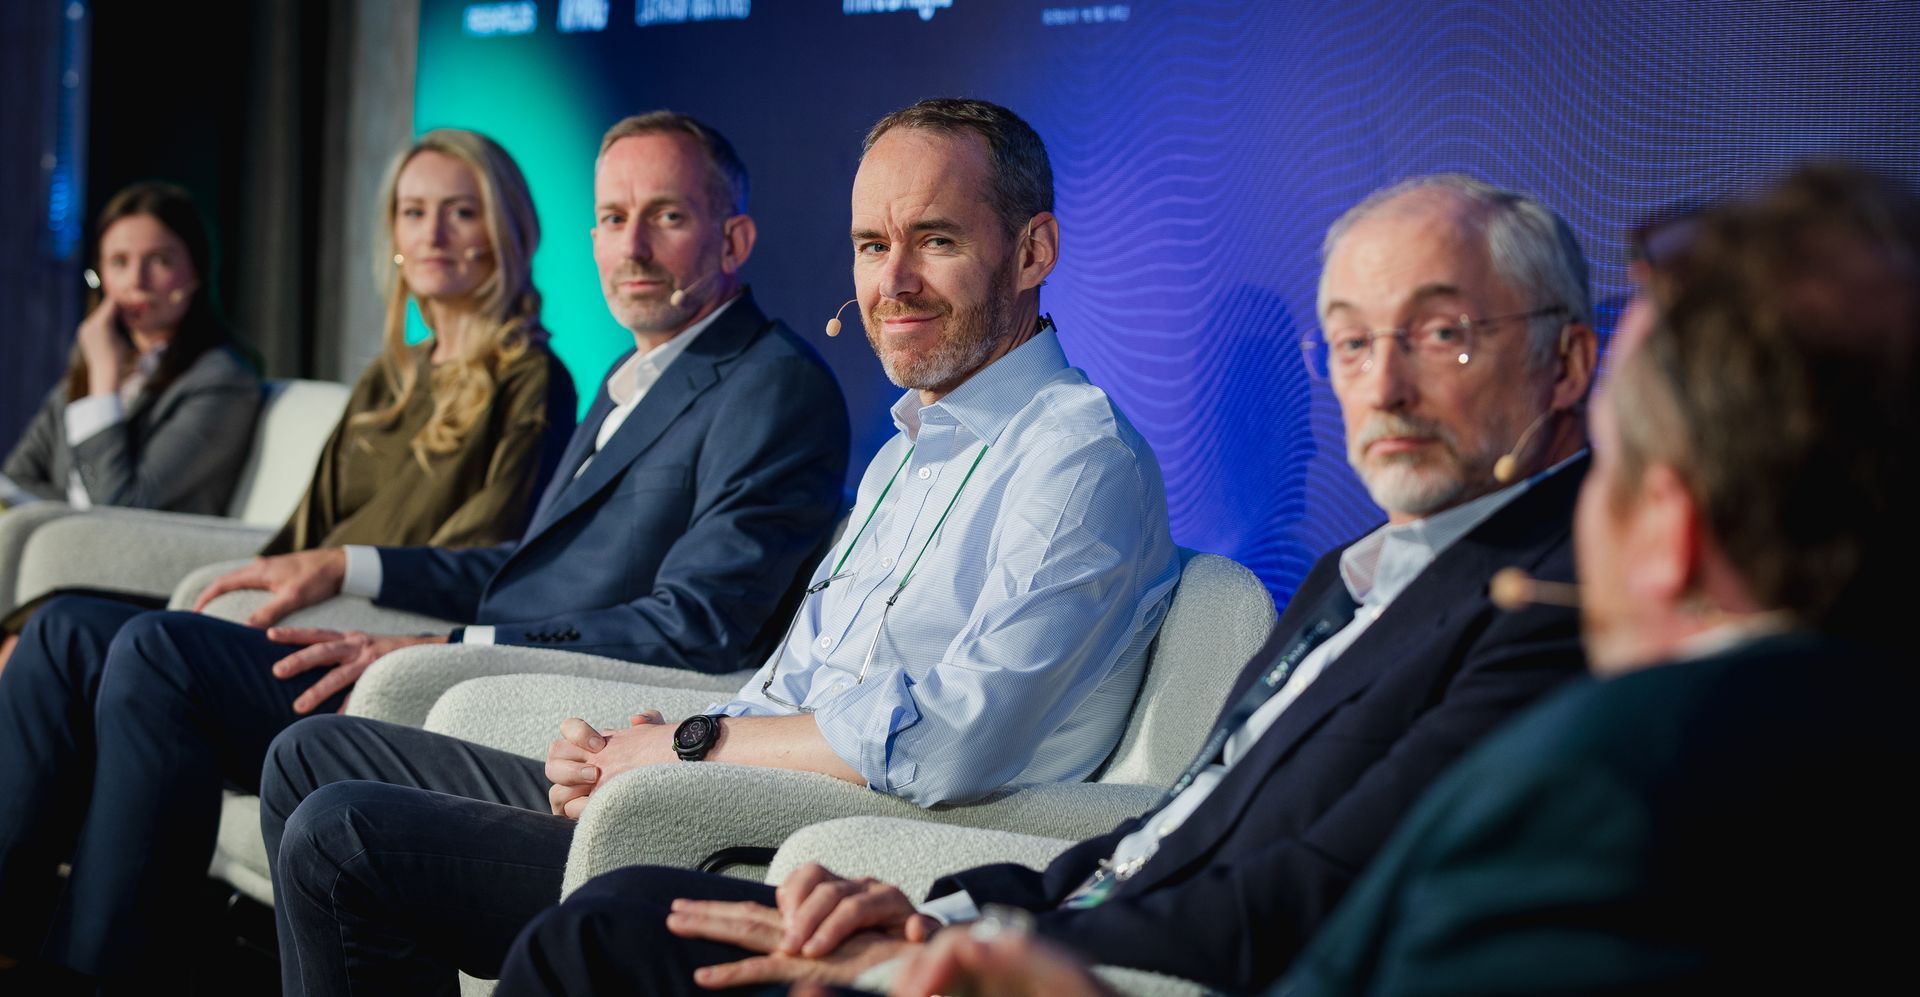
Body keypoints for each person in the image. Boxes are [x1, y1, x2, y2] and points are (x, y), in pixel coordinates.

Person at [486, 171, 1604, 997]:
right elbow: (1174, 828)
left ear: (1566, 364)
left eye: (1442, 335)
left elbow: (1320, 891)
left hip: (1097, 976)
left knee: (604, 929)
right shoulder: (1354, 574)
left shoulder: (1560, 601)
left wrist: (979, 947)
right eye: (1352, 344)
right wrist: (943, 907)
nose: (1385, 384)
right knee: (611, 921)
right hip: (1037, 928)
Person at [260, 96, 1180, 995]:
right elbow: (792, 681)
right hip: (728, 799)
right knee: (315, 757)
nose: (892, 281)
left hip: (822, 858)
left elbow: (946, 741)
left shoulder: (1077, 456)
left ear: (1033, 252)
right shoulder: (910, 446)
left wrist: (693, 746)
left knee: (344, 837)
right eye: (871, 246)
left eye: (935, 240)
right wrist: (641, 743)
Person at [0, 110, 848, 990]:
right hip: (470, 657)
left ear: (733, 238)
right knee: (110, 640)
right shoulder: (634, 374)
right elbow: (523, 565)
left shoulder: (771, 385)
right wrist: (350, 563)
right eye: (612, 217)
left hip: (544, 695)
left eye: (666, 216)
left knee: (161, 654)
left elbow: (697, 625)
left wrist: (440, 644)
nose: (631, 245)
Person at [1277, 162, 1920, 995]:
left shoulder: (1603, 790)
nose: (1386, 387)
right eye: (1351, 343)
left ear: (1669, 525)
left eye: (1607, 459)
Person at [257, 128, 576, 556]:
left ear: (507, 230)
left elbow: (488, 548)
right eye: (413, 212)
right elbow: (304, 532)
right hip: (311, 589)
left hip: (388, 598)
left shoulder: (533, 381)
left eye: (461, 213)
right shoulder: (388, 376)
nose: (432, 235)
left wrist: (340, 571)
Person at [0, 182, 261, 662]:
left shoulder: (222, 379)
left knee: (22, 645)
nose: (136, 281)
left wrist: (102, 381)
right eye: (119, 262)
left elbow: (120, 510)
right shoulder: (87, 367)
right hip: (60, 573)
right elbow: (17, 479)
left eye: (158, 260)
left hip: (142, 586)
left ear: (196, 270)